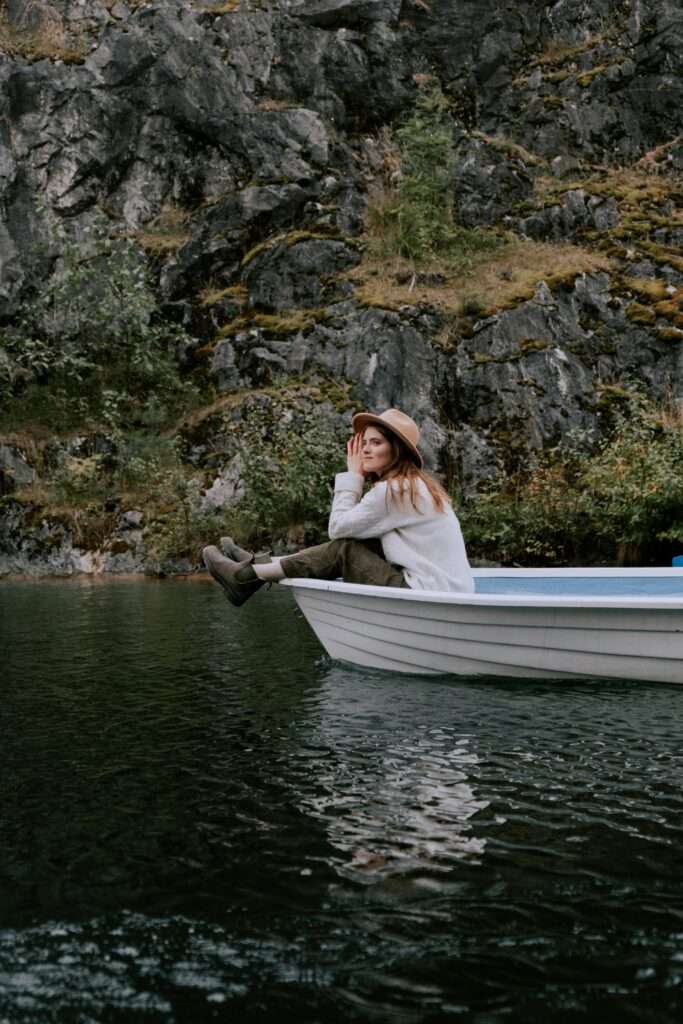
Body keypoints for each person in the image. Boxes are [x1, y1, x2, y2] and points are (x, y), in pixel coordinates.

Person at [202, 407, 474, 605]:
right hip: (445, 592)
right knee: (363, 543)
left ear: (396, 451)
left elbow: (337, 530)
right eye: (363, 443)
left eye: (376, 443)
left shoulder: (395, 491)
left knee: (345, 548)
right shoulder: (414, 486)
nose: (365, 450)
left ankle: (247, 575)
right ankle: (256, 567)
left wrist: (354, 477)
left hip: (427, 594)